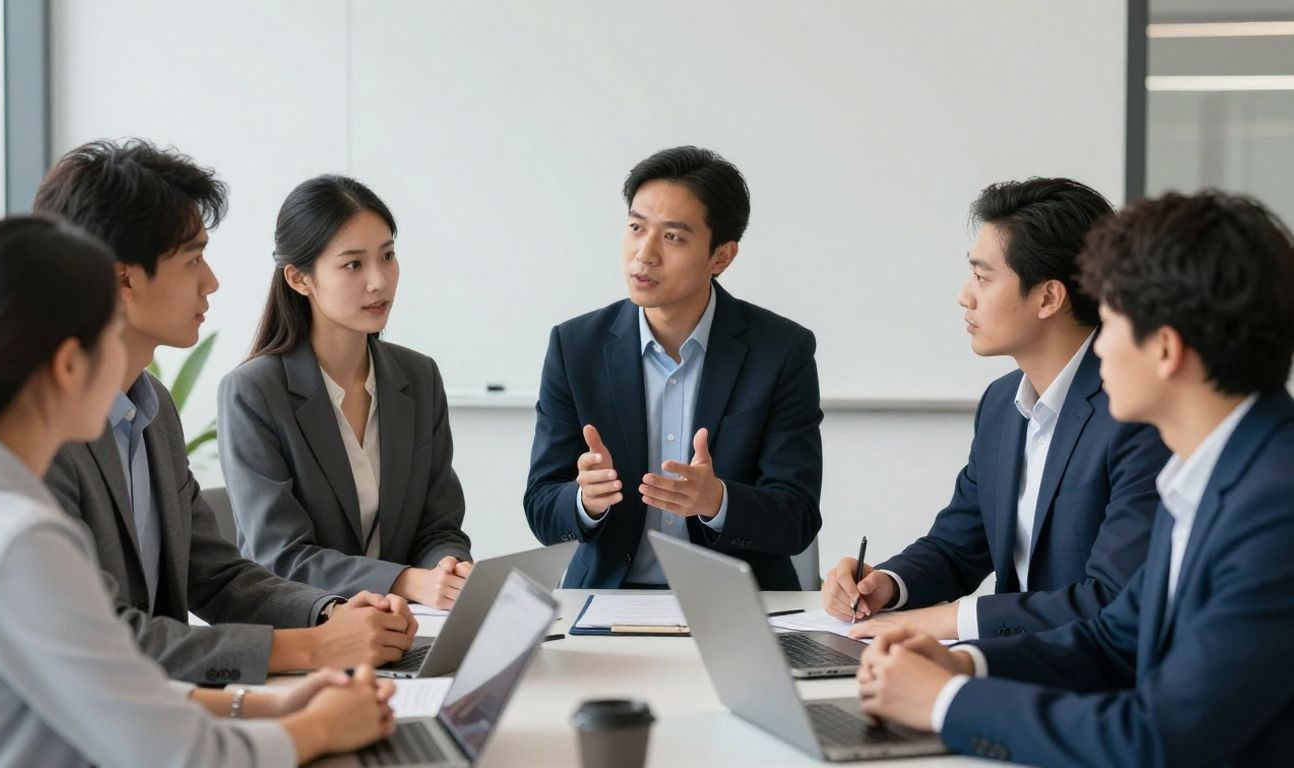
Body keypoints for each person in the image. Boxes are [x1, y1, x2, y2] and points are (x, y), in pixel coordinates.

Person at [0, 217, 397, 767]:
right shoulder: (17, 541)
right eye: (113, 335)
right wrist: (316, 729)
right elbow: (180, 755)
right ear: (71, 365)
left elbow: (103, 687)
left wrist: (257, 706)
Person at [857, 191, 1294, 767]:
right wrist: (964, 664)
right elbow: (1115, 639)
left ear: (1165, 349)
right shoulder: (1211, 469)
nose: (1098, 345)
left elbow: (1157, 739)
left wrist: (947, 703)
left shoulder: (1274, 507)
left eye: (1109, 321)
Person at [33, 140, 416, 685]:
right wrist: (311, 649)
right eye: (193, 258)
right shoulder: (44, 434)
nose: (211, 280)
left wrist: (328, 614)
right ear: (123, 279)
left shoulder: (152, 408)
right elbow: (103, 641)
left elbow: (215, 575)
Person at [823, 178, 1170, 641]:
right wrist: (886, 584)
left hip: (1087, 679)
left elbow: (1113, 597)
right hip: (1015, 665)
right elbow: (957, 547)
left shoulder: (1135, 412)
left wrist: (949, 620)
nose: (964, 296)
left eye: (983, 277)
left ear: (1048, 297)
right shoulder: (1002, 405)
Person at [524, 145, 823, 590]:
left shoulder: (780, 351)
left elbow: (797, 518)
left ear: (721, 256)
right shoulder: (576, 347)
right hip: (608, 598)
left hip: (738, 603)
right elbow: (543, 507)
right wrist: (584, 500)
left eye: (673, 237)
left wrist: (716, 499)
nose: (644, 254)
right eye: (636, 228)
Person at [219, 174, 473, 609]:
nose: (379, 281)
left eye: (388, 256)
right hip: (312, 631)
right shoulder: (253, 392)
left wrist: (448, 568)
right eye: (353, 264)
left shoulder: (419, 376)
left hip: (409, 627)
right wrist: (406, 581)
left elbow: (439, 527)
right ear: (300, 279)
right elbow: (279, 557)